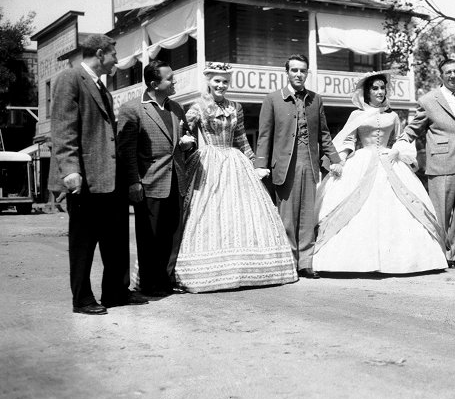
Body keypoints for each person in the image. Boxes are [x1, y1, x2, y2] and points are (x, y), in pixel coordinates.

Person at [174, 62, 297, 292]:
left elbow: (241, 140)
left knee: (242, 214)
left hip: (234, 161)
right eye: (217, 81)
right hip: (208, 162)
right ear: (208, 82)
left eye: (225, 81)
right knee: (205, 213)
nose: (221, 85)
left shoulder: (236, 107)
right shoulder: (197, 107)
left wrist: (254, 164)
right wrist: (185, 141)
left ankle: (247, 270)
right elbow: (183, 133)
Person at [48, 34, 148, 314]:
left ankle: (115, 293)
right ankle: (82, 300)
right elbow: (63, 128)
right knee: (83, 243)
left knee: (115, 239)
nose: (117, 60)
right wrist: (69, 170)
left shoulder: (100, 86)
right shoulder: (70, 78)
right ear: (101, 53)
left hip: (108, 177)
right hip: (84, 179)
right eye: (114, 54)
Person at [312, 73, 448, 274]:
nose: (379, 92)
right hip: (363, 160)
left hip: (389, 161)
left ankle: (403, 262)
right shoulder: (357, 115)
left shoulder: (392, 116)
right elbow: (348, 140)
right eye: (375, 88)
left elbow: (401, 139)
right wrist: (339, 160)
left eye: (382, 88)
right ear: (367, 92)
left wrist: (398, 150)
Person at [255, 54, 343, 279]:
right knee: (287, 217)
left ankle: (305, 262)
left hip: (309, 164)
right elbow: (264, 136)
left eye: (302, 70)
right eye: (294, 70)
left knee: (306, 215)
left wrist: (335, 159)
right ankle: (288, 262)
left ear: (307, 73)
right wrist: (260, 164)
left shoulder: (316, 99)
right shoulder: (273, 99)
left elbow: (323, 134)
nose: (298, 74)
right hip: (284, 166)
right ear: (287, 72)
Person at [117, 60, 196, 296]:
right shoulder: (133, 109)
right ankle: (151, 284)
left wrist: (187, 145)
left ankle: (165, 280)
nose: (174, 82)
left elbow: (181, 145)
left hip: (176, 182)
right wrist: (133, 182)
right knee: (149, 237)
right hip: (149, 183)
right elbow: (126, 151)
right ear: (154, 83)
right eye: (170, 78)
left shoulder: (177, 109)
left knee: (172, 235)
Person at [399, 59, 455, 268]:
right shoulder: (428, 100)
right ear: (441, 75)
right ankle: (440, 253)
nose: (453, 75)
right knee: (440, 211)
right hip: (441, 160)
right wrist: (401, 143)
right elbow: (414, 127)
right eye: (448, 72)